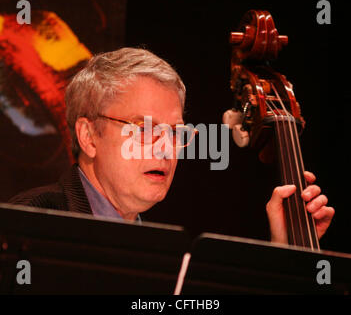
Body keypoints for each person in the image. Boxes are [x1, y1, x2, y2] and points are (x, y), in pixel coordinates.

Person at [9, 47, 334, 244]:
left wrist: (284, 252)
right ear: (89, 136)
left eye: (176, 132)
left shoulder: (163, 252)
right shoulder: (27, 224)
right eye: (145, 128)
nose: (166, 148)